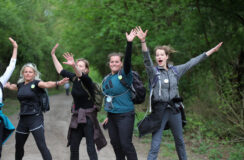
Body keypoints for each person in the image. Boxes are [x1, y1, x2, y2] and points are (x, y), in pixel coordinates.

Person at [134, 26, 223, 160]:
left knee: (180, 142)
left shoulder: (175, 71)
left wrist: (211, 51)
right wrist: (143, 42)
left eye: (162, 55)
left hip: (175, 110)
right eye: (157, 55)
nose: (159, 57)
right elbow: (146, 60)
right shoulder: (153, 73)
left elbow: (192, 62)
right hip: (159, 111)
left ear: (167, 57)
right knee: (155, 144)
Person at [51, 44, 107, 160]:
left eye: (81, 66)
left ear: (86, 69)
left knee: (90, 147)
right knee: (74, 147)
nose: (78, 67)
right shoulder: (74, 78)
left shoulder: (88, 81)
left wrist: (74, 66)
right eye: (77, 65)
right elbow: (60, 70)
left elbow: (81, 75)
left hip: (88, 118)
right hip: (77, 116)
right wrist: (53, 55)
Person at [5, 63, 69, 160]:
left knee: (41, 146)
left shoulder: (37, 83)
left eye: (30, 72)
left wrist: (58, 83)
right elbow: (15, 87)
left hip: (35, 118)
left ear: (34, 74)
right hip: (23, 119)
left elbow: (47, 84)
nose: (28, 74)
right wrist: (8, 86)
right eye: (25, 72)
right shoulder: (21, 85)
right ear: (22, 73)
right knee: (18, 147)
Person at [101, 28, 139, 160]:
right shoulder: (106, 79)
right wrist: (107, 115)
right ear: (109, 64)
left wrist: (129, 43)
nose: (114, 63)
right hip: (112, 116)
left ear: (121, 63)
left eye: (117, 61)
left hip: (125, 115)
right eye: (112, 61)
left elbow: (128, 60)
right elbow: (109, 97)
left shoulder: (124, 74)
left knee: (125, 144)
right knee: (116, 144)